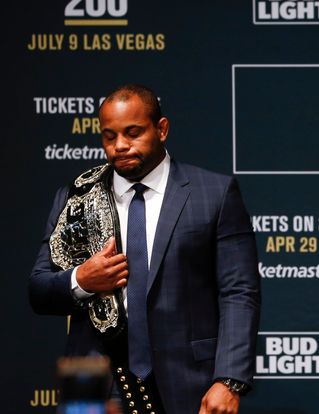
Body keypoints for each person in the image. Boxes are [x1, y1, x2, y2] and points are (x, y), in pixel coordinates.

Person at [29, 84, 261, 414]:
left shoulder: (215, 193)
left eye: (133, 133)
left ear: (162, 129)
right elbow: (38, 289)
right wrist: (82, 279)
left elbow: (239, 292)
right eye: (109, 137)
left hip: (189, 380)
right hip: (95, 383)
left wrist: (228, 379)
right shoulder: (77, 197)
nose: (120, 145)